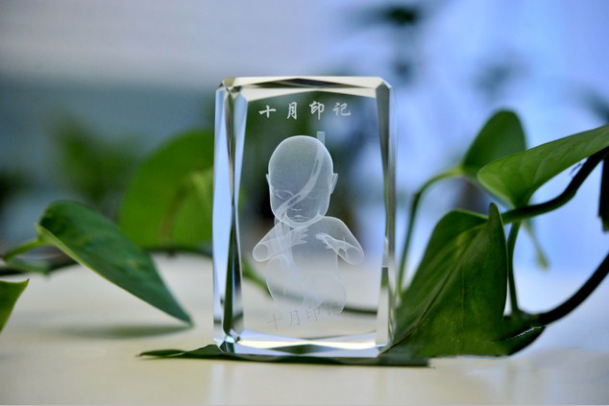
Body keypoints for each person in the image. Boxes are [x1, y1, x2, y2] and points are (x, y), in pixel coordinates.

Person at [253, 135, 364, 314]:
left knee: (324, 283)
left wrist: (338, 245)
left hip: (327, 293)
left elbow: (357, 257)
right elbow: (259, 253)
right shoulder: (284, 229)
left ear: (331, 184)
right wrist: (285, 241)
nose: (297, 207)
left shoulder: (332, 226)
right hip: (293, 295)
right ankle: (294, 308)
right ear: (269, 183)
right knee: (276, 265)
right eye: (283, 195)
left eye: (312, 196)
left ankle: (313, 305)